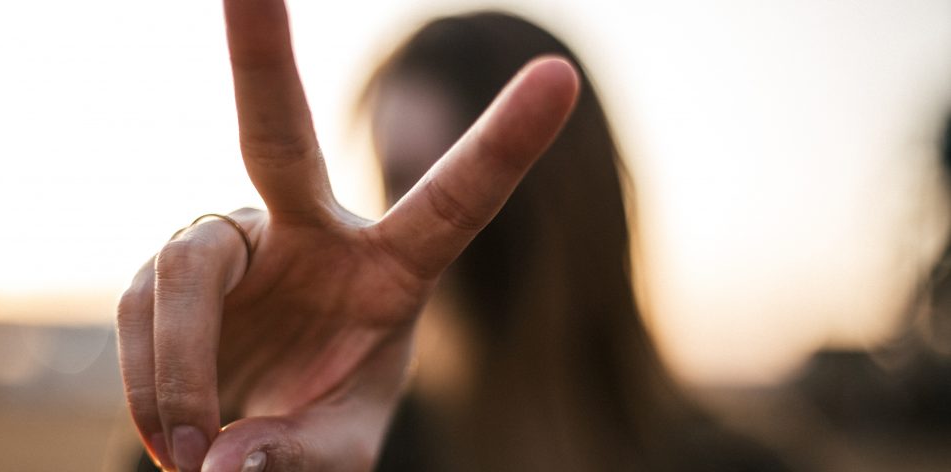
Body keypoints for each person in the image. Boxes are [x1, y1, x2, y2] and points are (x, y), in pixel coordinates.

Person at [114, 1, 580, 471]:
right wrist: (228, 419)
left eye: (485, 181)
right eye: (402, 182)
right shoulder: (349, 436)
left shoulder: (654, 445)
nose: (427, 219)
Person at [361, 12, 789, 472]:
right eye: (400, 185)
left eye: (469, 182)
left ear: (559, 197)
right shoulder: (355, 452)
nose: (423, 223)